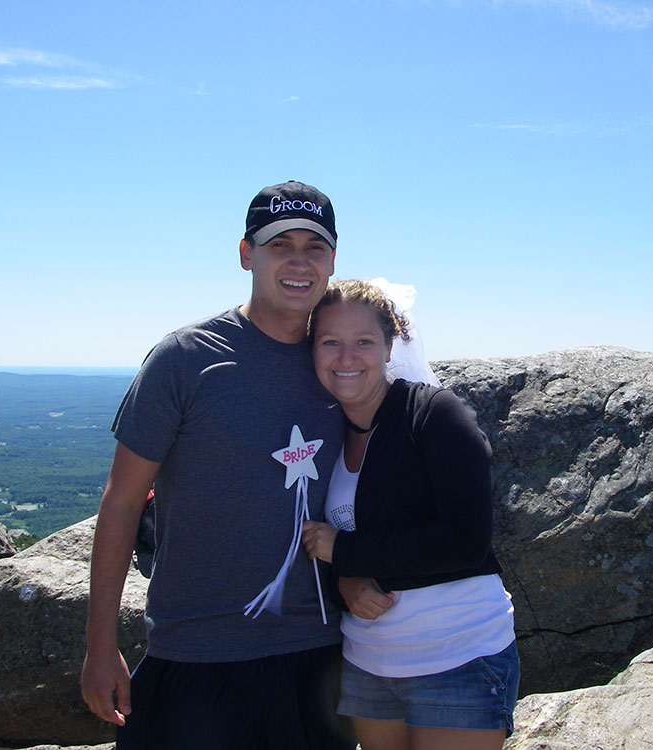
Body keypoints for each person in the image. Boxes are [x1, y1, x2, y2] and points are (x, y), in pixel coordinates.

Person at [81, 180, 356, 749]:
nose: (299, 262)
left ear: (333, 259)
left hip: (317, 659)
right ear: (246, 254)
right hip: (195, 655)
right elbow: (123, 501)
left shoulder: (343, 364)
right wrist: (100, 647)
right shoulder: (186, 360)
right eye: (280, 245)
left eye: (315, 246)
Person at [302, 280, 519, 750]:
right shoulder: (326, 432)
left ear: (388, 346)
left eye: (363, 342)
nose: (346, 357)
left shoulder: (435, 415)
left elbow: (466, 541)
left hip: (458, 656)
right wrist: (345, 581)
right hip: (369, 666)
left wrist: (347, 554)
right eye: (330, 342)